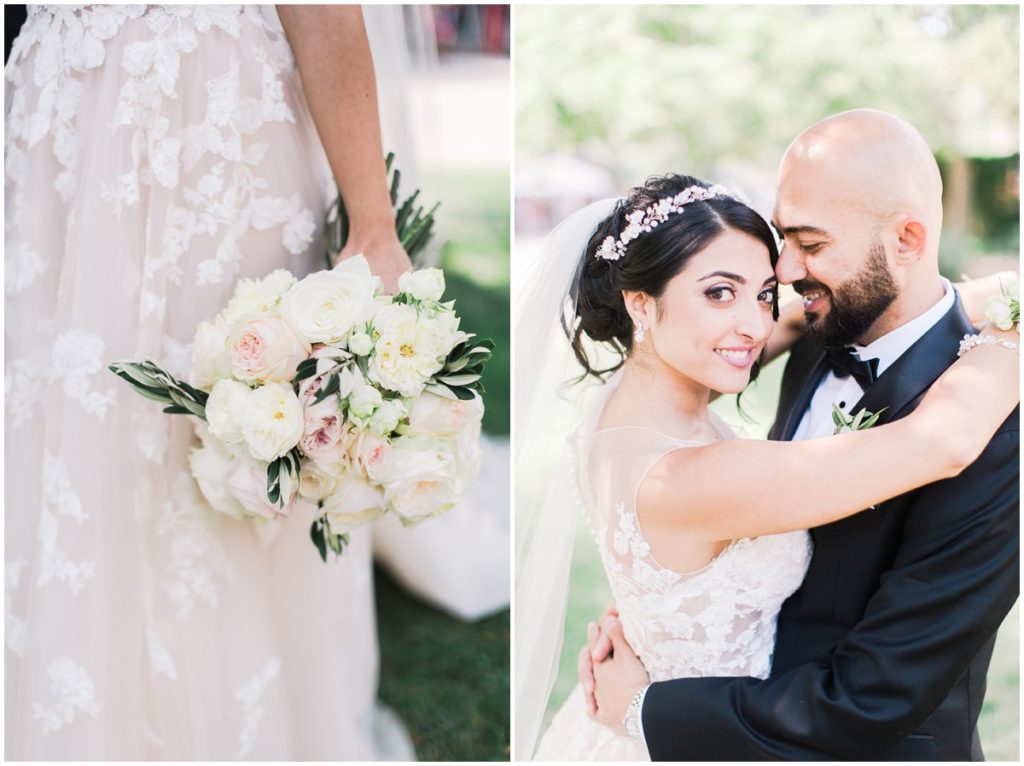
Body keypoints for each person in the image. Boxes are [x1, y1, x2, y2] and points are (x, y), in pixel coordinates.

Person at [5, 6, 413, 759]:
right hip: (59, 108)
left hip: (209, 119)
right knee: (65, 403)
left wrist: (374, 226)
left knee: (229, 412)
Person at [513, 168, 1019, 756]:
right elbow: (944, 439)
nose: (754, 326)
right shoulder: (692, 476)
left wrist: (956, 300)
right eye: (718, 292)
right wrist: (1015, 315)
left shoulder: (619, 412)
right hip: (699, 736)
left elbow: (788, 321)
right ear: (640, 305)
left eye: (761, 293)